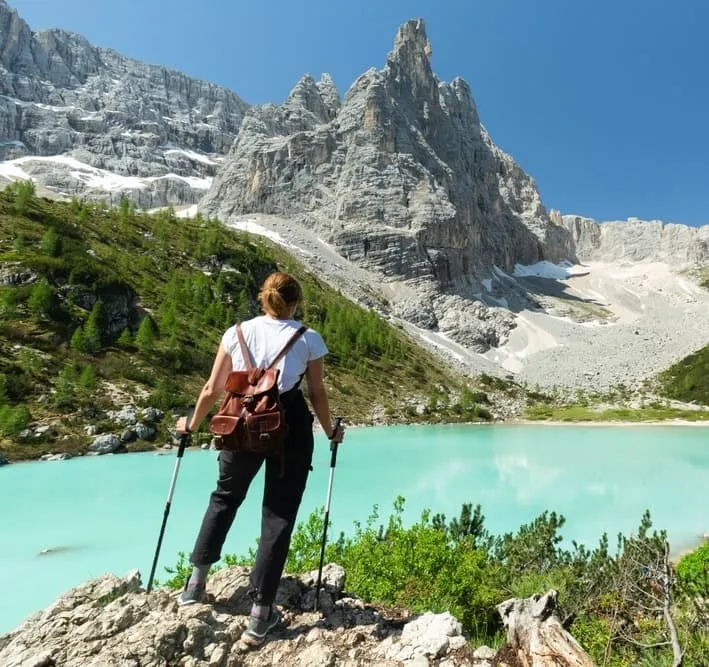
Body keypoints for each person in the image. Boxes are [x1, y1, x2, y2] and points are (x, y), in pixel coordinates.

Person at [175, 271, 344, 647]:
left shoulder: (235, 333)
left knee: (224, 498)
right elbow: (316, 393)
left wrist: (191, 423)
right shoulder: (308, 338)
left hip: (238, 424)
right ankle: (260, 614)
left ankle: (195, 584)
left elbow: (211, 387)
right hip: (290, 429)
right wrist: (331, 430)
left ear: (262, 299)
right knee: (278, 514)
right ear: (296, 301)